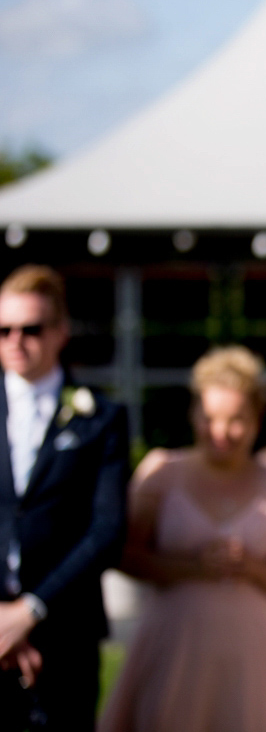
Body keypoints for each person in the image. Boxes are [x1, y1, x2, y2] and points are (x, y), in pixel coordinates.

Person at [99, 345, 266, 732]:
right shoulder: (161, 471)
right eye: (210, 418)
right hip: (173, 642)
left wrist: (250, 567)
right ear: (194, 412)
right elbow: (124, 555)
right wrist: (193, 567)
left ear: (258, 418)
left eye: (236, 420)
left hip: (248, 647)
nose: (221, 432)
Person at [0, 264, 129, 731]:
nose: (16, 340)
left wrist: (30, 611)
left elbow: (107, 531)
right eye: (4, 329)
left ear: (59, 332)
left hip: (66, 636)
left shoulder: (101, 417)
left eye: (30, 329)